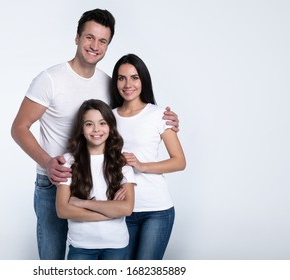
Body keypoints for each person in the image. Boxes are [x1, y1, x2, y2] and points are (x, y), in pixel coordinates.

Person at [11, 9, 179, 260]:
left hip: (95, 183)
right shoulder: (50, 79)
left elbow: (129, 115)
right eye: (89, 37)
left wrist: (167, 121)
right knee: (53, 261)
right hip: (54, 181)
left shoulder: (108, 84)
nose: (95, 46)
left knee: (94, 254)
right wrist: (47, 162)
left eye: (103, 41)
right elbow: (19, 127)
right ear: (77, 38)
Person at [110, 54, 186, 260]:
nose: (128, 84)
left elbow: (179, 161)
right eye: (121, 78)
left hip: (156, 210)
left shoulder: (159, 115)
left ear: (143, 80)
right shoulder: (108, 117)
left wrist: (142, 166)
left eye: (134, 77)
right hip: (120, 208)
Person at [55, 99, 136, 260]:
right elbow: (62, 210)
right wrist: (111, 211)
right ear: (81, 129)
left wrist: (82, 203)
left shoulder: (121, 162)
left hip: (116, 245)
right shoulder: (68, 161)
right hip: (81, 246)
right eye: (89, 124)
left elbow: (126, 209)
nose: (96, 129)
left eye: (102, 123)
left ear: (110, 126)